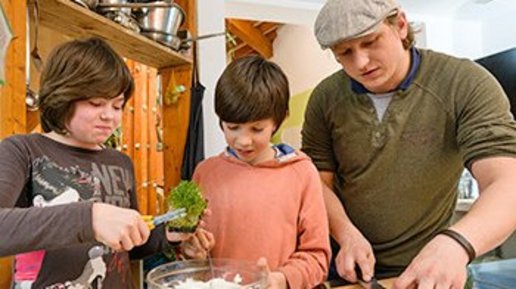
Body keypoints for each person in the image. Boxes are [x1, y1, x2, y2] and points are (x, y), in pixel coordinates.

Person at [302, 0, 516, 288]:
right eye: (345, 52)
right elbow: (316, 181)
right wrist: (346, 234)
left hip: (429, 271)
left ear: (400, 25)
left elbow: (507, 181)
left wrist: (457, 243)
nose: (361, 62)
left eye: (370, 42)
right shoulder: (325, 98)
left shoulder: (464, 83)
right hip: (347, 270)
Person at [0, 37, 213, 289]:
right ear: (63, 97)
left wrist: (170, 234)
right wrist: (89, 218)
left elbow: (127, 247)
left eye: (117, 105)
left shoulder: (120, 163)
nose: (109, 116)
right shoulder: (23, 150)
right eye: (96, 103)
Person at [192, 55, 331, 289]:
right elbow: (191, 248)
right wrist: (190, 252)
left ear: (279, 121)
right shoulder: (205, 173)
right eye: (232, 127)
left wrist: (280, 279)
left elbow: (317, 257)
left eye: (257, 129)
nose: (243, 141)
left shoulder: (302, 172)